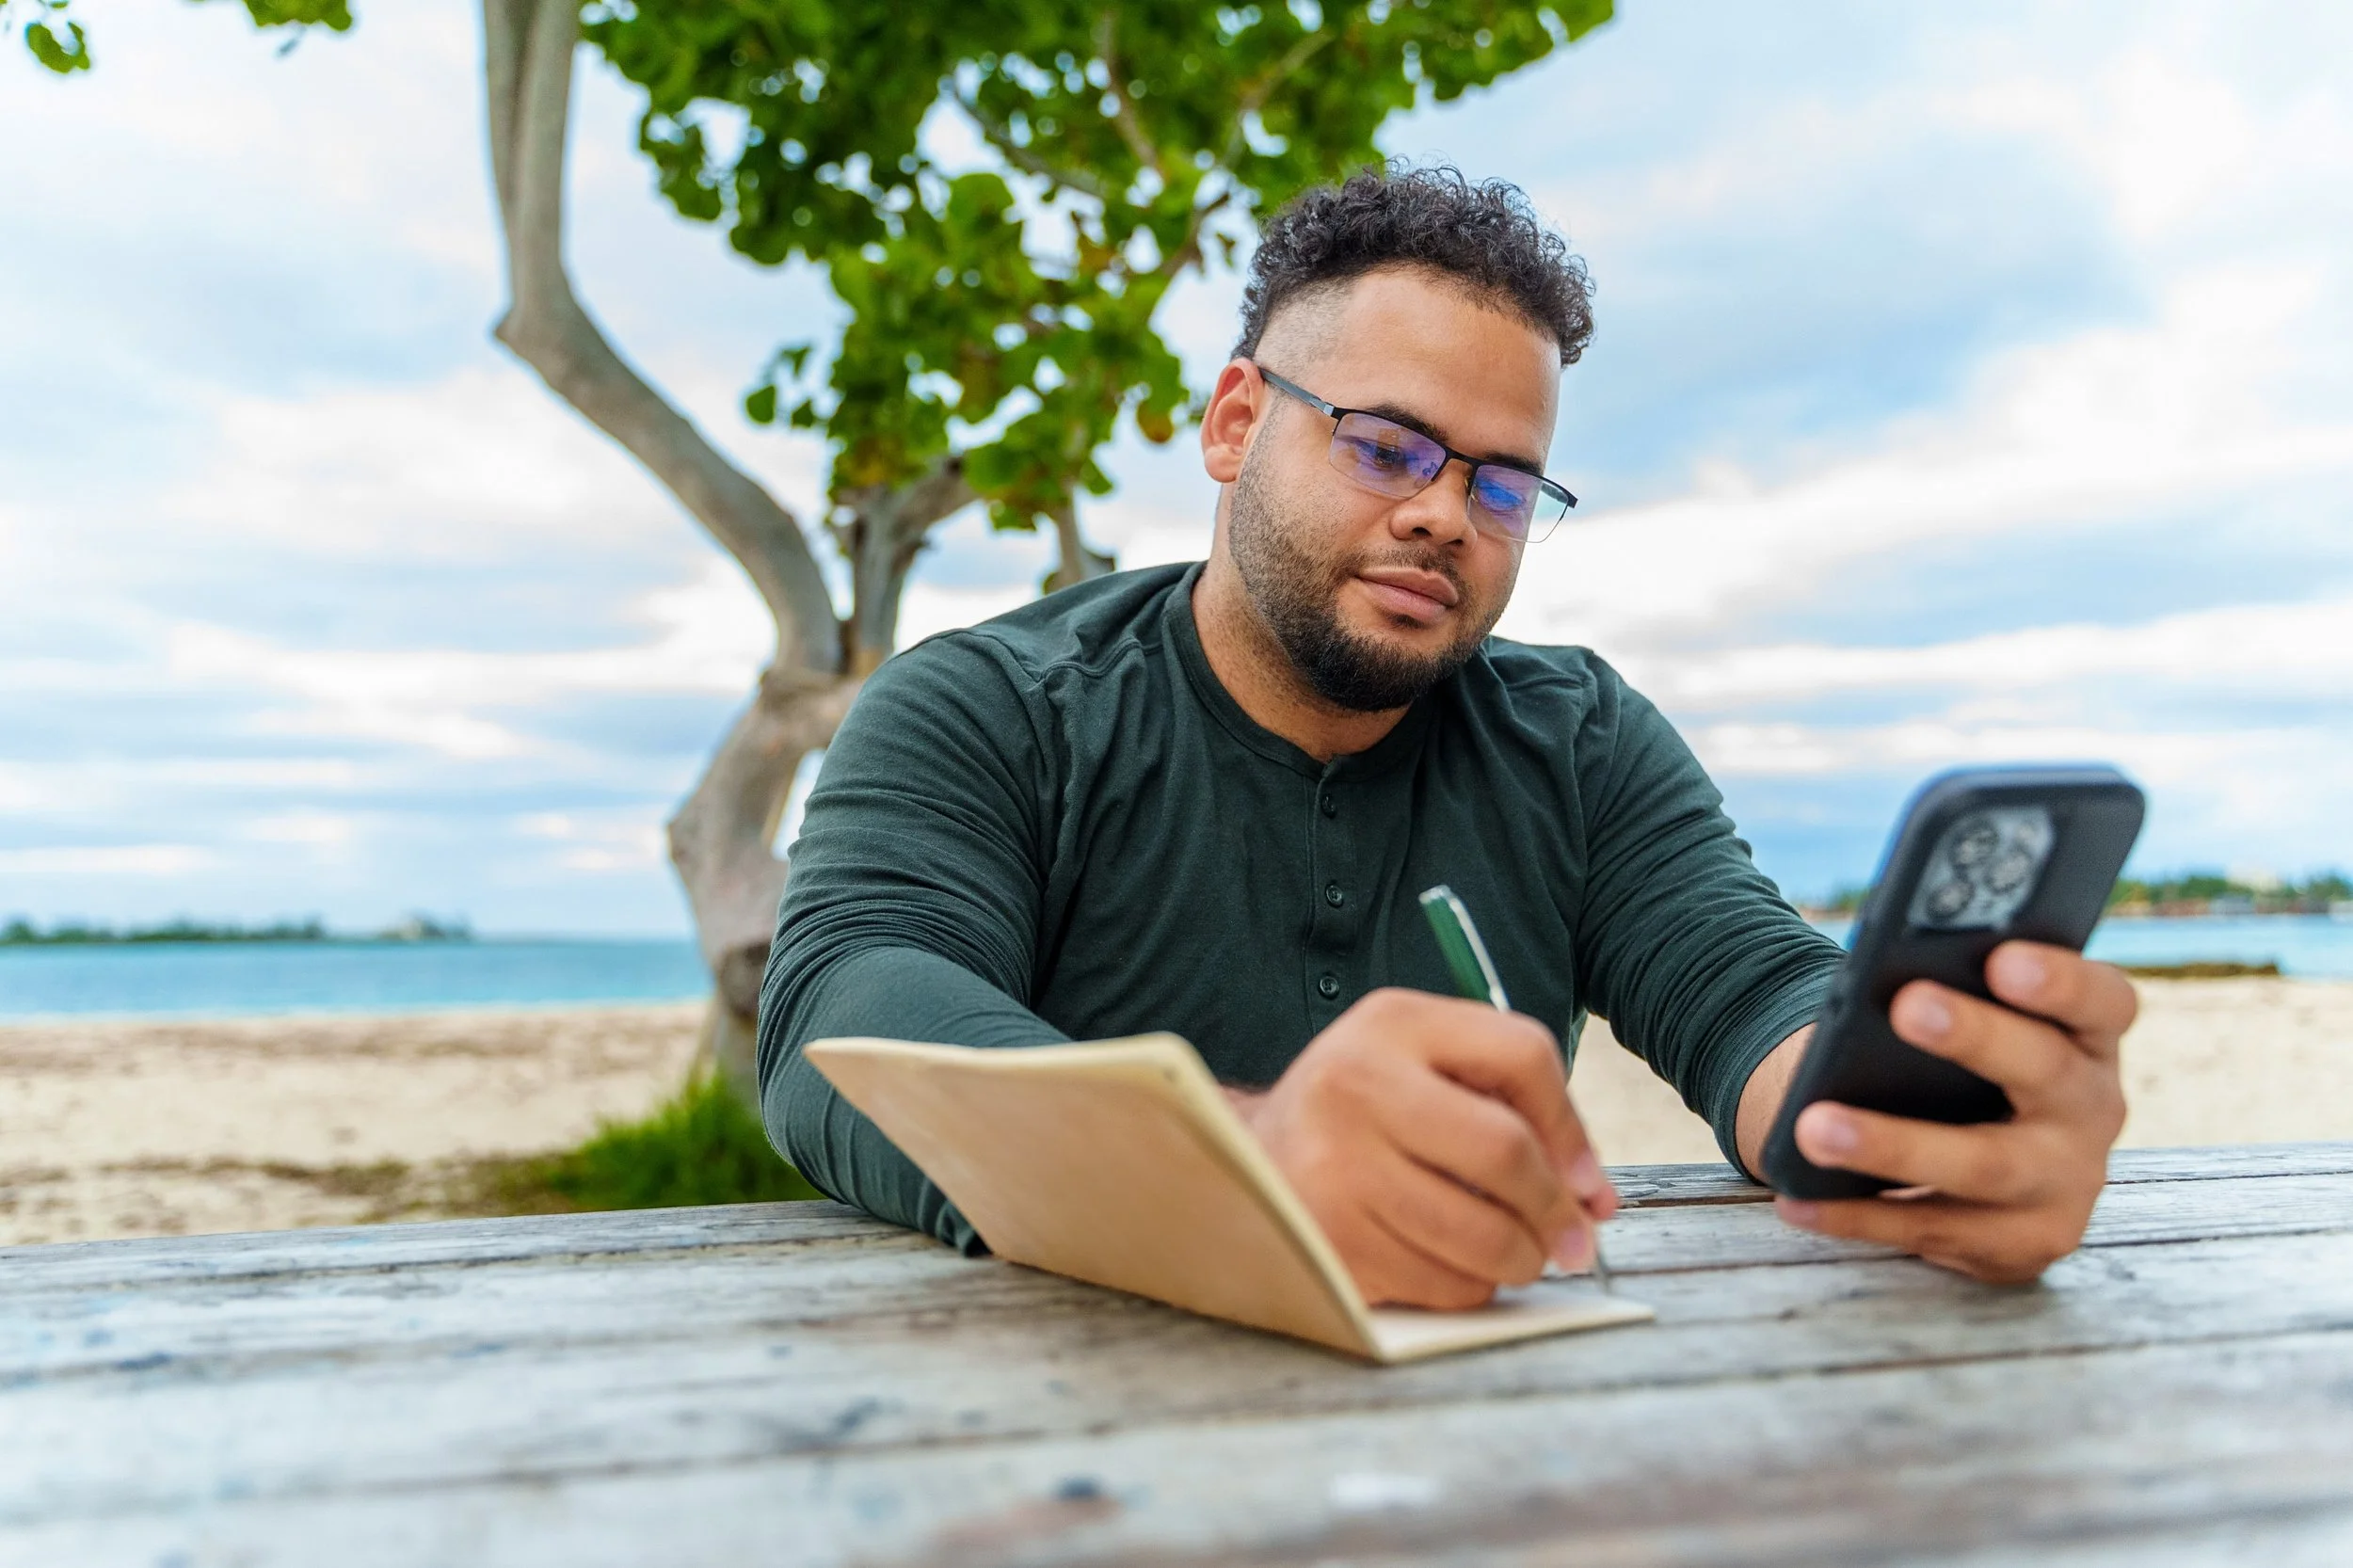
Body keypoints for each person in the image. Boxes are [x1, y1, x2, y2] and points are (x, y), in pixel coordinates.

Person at [758, 166, 2137, 1309]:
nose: (1444, 514)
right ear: (1237, 423)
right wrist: (1245, 1155)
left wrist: (1905, 1133)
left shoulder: (1579, 740)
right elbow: (847, 1013)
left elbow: (1751, 992)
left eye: (1506, 481)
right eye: (1386, 445)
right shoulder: (986, 708)